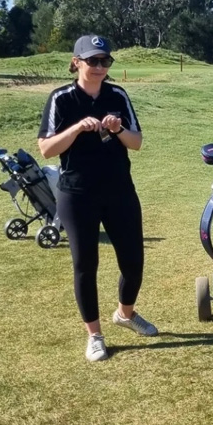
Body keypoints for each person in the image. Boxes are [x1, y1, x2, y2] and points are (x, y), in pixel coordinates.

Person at [38, 35, 158, 362]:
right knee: (85, 265)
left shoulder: (117, 95)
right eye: (93, 61)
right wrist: (77, 128)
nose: (100, 67)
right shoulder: (61, 98)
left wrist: (118, 129)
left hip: (119, 189)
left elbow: (136, 143)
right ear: (76, 62)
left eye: (105, 61)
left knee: (133, 261)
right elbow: (46, 148)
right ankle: (94, 335)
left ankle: (125, 314)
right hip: (77, 193)